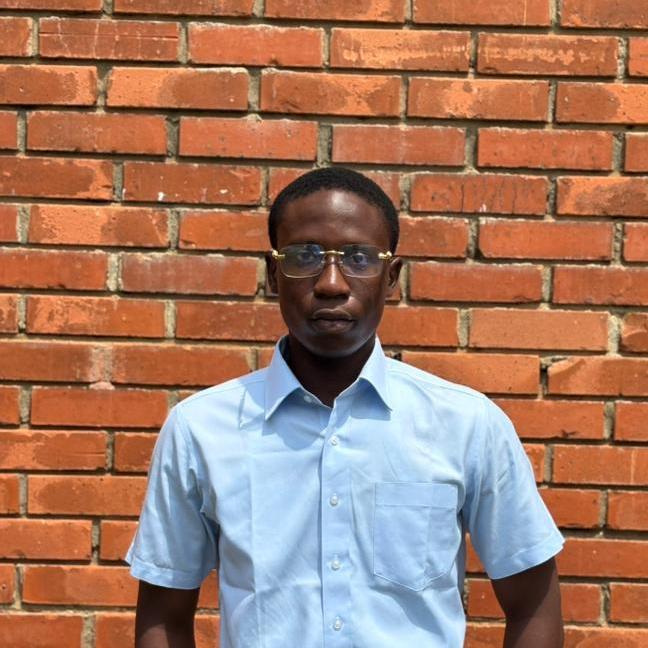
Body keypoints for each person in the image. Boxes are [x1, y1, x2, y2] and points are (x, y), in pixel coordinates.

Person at [127, 167, 564, 648]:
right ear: (273, 274)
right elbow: (164, 617)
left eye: (359, 258)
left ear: (391, 277)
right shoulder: (201, 429)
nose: (332, 283)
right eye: (304, 256)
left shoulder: (466, 425)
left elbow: (532, 603)